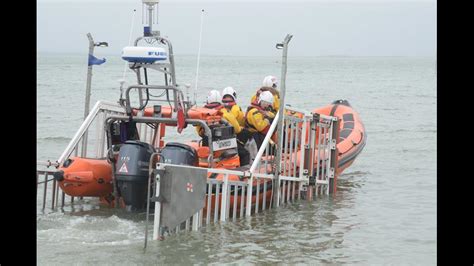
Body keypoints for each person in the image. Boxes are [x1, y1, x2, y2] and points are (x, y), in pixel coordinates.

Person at [196, 90, 250, 166]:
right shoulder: (225, 113)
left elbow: (199, 131)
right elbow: (237, 129)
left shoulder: (203, 114)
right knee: (245, 154)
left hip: (207, 145)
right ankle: (244, 174)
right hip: (224, 145)